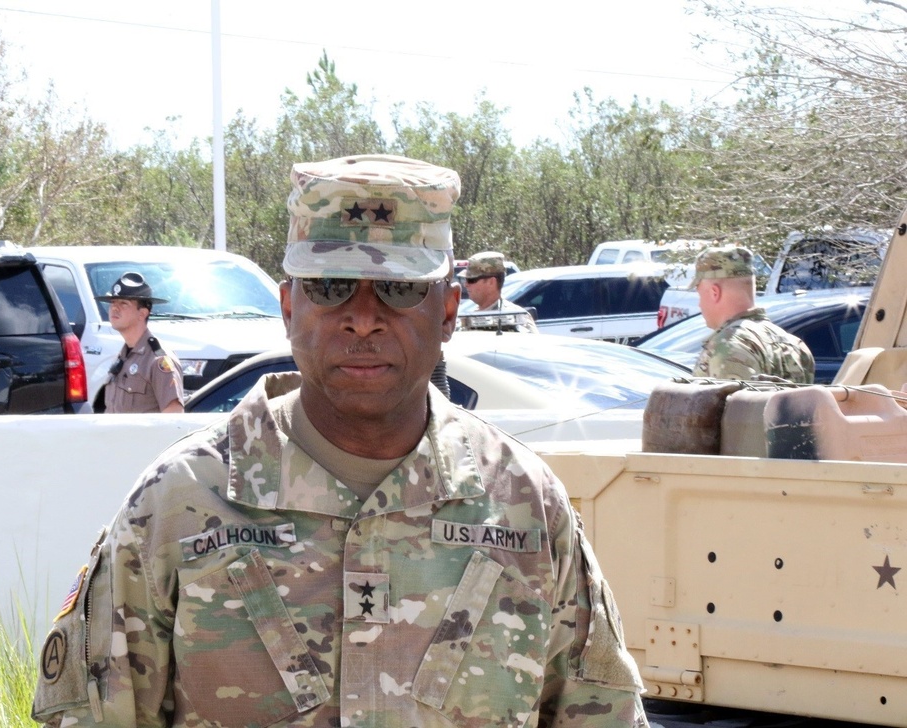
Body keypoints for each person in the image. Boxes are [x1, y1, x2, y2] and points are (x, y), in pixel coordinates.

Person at [32, 154, 647, 727]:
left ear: (450, 311)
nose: (363, 315)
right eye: (330, 286)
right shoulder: (180, 503)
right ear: (288, 308)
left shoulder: (524, 503)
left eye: (401, 288)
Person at [691, 244, 815, 383]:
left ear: (715, 293)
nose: (699, 304)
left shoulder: (729, 345)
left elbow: (728, 404)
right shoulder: (794, 344)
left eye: (700, 295)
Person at [95, 271, 185, 413]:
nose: (114, 308)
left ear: (142, 313)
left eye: (123, 303)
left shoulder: (159, 359)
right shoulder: (124, 355)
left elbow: (173, 414)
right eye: (113, 302)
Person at [458, 250, 538, 333]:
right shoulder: (466, 318)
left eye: (471, 280)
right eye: (465, 279)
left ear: (491, 282)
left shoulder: (516, 319)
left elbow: (533, 344)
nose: (466, 284)